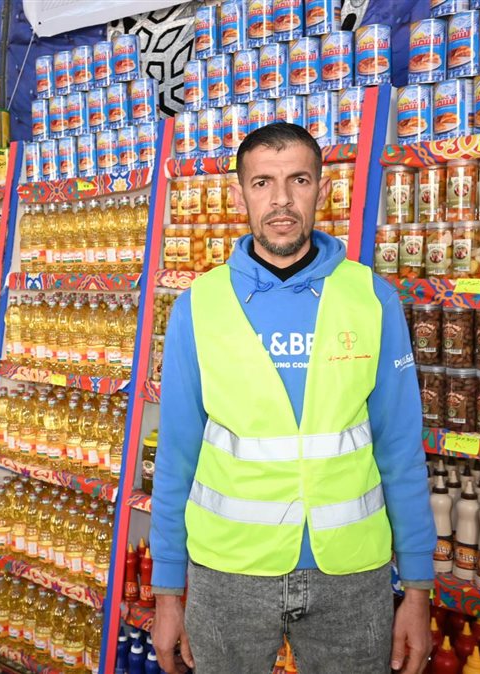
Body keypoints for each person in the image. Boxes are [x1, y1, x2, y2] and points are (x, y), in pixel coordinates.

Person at [150, 123, 435, 674]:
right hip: (228, 573)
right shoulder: (198, 306)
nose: (280, 200)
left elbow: (400, 450)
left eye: (298, 180)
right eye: (262, 183)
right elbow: (176, 456)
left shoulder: (371, 298)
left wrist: (418, 588)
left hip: (351, 575)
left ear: (322, 190)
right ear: (239, 195)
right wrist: (166, 592)